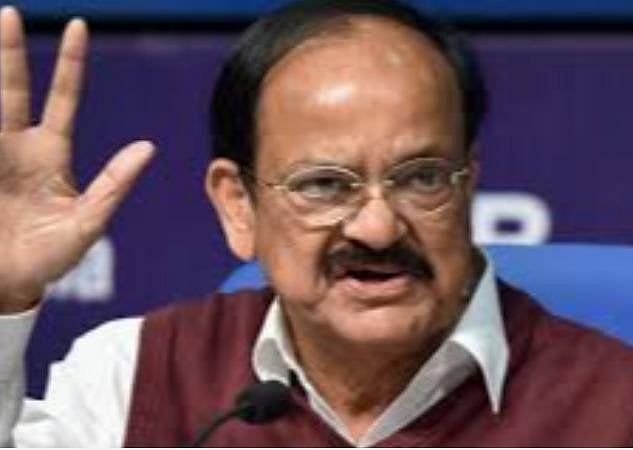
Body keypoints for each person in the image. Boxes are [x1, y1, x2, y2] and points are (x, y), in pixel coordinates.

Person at [2, 0, 633, 446]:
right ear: (238, 205)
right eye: (324, 185)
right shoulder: (136, 376)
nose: (378, 229)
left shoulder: (614, 408)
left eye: (420, 178)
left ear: (467, 185)